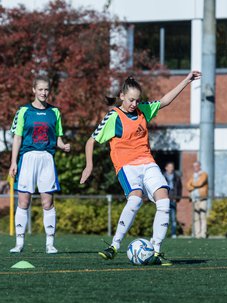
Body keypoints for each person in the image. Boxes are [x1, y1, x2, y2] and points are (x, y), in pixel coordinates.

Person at [80, 71, 201, 265]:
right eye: (130, 100)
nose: (134, 104)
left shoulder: (143, 110)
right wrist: (89, 165)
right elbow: (90, 141)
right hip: (127, 167)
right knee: (135, 199)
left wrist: (186, 80)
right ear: (121, 96)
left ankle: (156, 250)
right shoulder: (113, 116)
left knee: (164, 200)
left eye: (137, 100)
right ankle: (114, 246)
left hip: (148, 163)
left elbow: (165, 101)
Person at [9, 75, 70, 254]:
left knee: (47, 202)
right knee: (23, 201)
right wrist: (13, 162)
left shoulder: (55, 112)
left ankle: (49, 244)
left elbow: (57, 139)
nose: (44, 93)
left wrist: (63, 145)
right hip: (27, 158)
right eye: (40, 89)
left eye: (46, 89)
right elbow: (17, 138)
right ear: (34, 90)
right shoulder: (23, 111)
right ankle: (19, 243)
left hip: (46, 159)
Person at [186, 161, 208, 238]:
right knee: (196, 217)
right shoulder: (193, 176)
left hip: (202, 198)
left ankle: (203, 234)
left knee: (203, 216)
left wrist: (192, 184)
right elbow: (187, 186)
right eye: (194, 166)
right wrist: (193, 185)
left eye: (196, 166)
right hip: (194, 199)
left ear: (199, 166)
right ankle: (197, 234)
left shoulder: (204, 174)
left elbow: (200, 183)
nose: (195, 168)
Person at [163, 162, 182, 238]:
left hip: (173, 198)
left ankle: (173, 233)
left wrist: (177, 197)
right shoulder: (162, 176)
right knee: (164, 217)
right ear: (166, 168)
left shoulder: (176, 177)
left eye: (172, 167)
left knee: (173, 217)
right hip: (164, 198)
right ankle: (163, 233)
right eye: (169, 167)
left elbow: (180, 188)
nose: (171, 168)